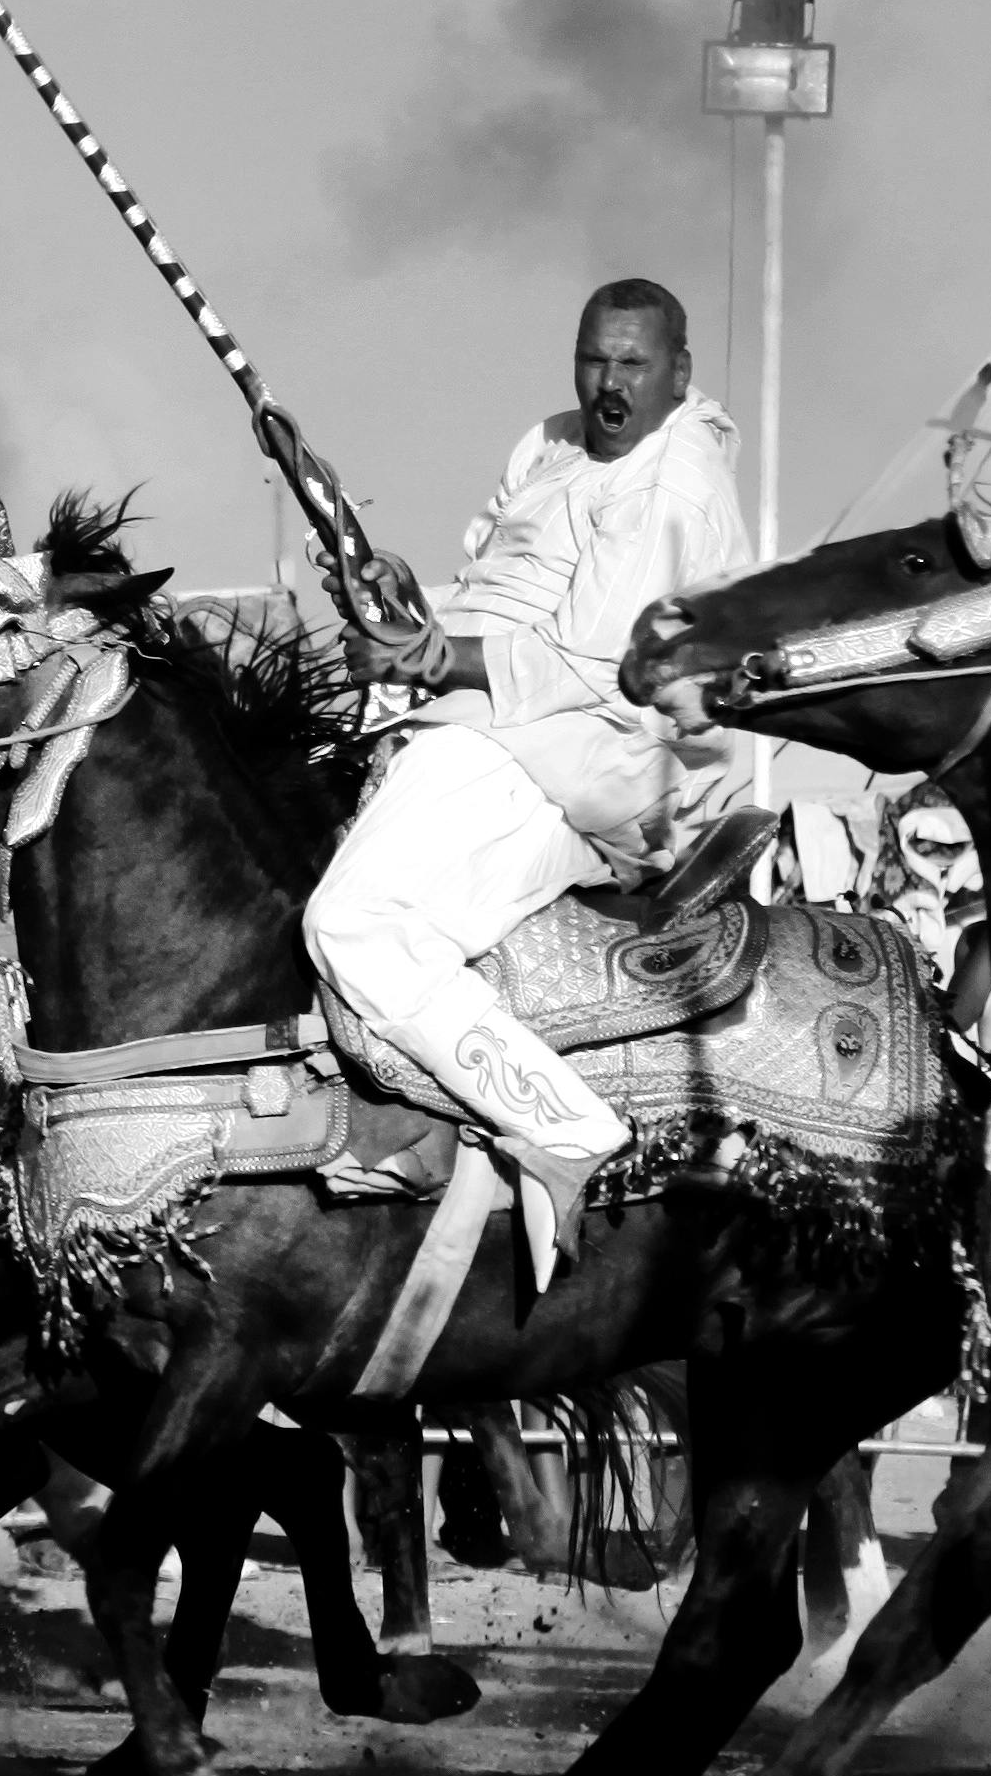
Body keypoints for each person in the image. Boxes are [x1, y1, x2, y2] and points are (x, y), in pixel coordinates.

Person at [304, 280, 750, 1285]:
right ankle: (401, 1133)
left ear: (678, 371)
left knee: (351, 925)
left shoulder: (669, 487)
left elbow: (596, 670)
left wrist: (424, 662)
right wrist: (398, 603)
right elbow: (493, 600)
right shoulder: (546, 445)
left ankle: (564, 1127)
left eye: (632, 365)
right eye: (593, 360)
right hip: (486, 723)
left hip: (583, 753)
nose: (607, 385)